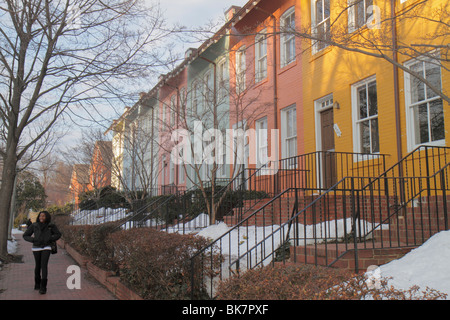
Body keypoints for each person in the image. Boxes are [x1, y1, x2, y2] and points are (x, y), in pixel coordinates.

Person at [23, 211, 62, 294]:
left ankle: (43, 287)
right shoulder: (34, 225)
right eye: (40, 216)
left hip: (46, 247)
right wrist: (33, 240)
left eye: (43, 216)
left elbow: (58, 234)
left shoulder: (51, 226)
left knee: (44, 265)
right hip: (36, 248)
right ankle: (37, 283)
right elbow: (25, 235)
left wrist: (50, 238)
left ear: (47, 217)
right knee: (38, 265)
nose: (42, 217)